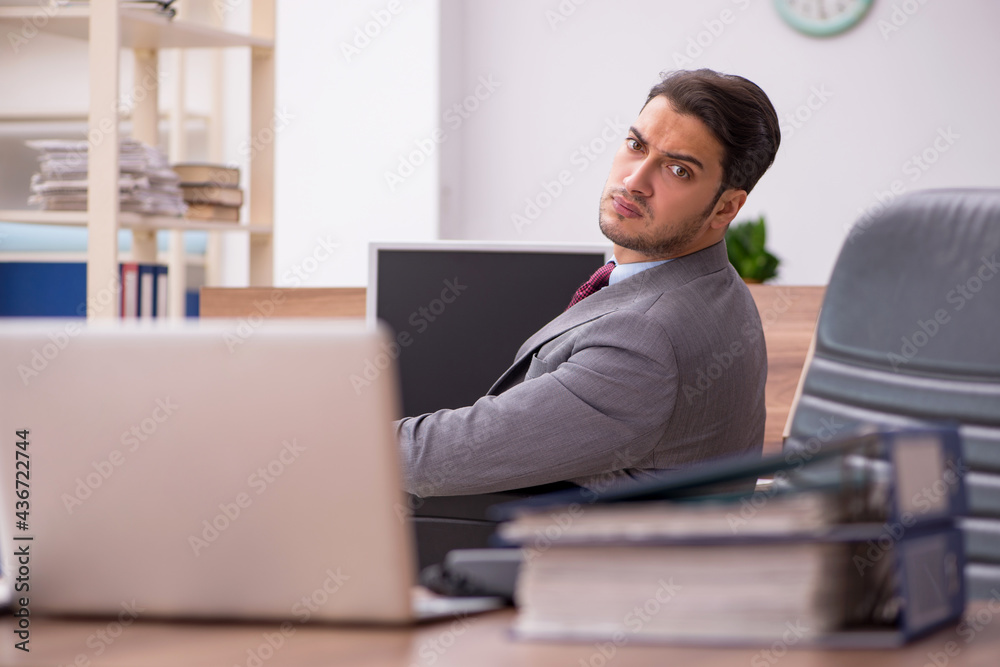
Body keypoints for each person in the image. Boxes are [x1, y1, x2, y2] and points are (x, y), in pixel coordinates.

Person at [396, 68, 781, 497]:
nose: (634, 181)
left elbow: (433, 461)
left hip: (574, 559)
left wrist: (325, 439)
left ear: (726, 208)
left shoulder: (646, 340)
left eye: (677, 170)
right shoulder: (717, 287)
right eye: (636, 146)